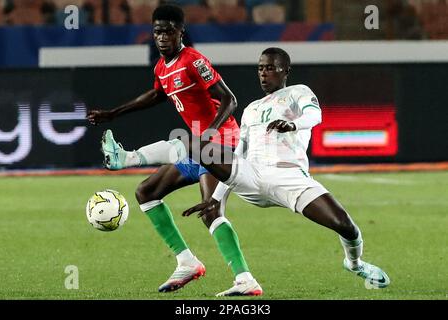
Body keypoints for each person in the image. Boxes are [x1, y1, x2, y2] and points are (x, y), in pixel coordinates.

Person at [146, 47, 391, 290]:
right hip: (251, 174)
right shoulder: (251, 109)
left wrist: (293, 125)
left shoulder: (298, 92)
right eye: (261, 68)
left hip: (289, 177)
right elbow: (239, 151)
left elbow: (315, 116)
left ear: (285, 70)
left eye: (270, 68)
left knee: (344, 225)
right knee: (195, 144)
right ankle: (132, 157)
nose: (264, 73)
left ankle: (355, 263)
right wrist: (216, 198)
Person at [87, 4, 262, 297]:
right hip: (199, 146)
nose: (163, 37)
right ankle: (187, 262)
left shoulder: (194, 60)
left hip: (221, 143)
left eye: (169, 31)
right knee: (146, 192)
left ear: (181, 32)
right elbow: (158, 93)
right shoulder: (161, 67)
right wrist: (114, 113)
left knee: (210, 210)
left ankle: (246, 280)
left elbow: (229, 100)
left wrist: (209, 134)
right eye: (158, 31)